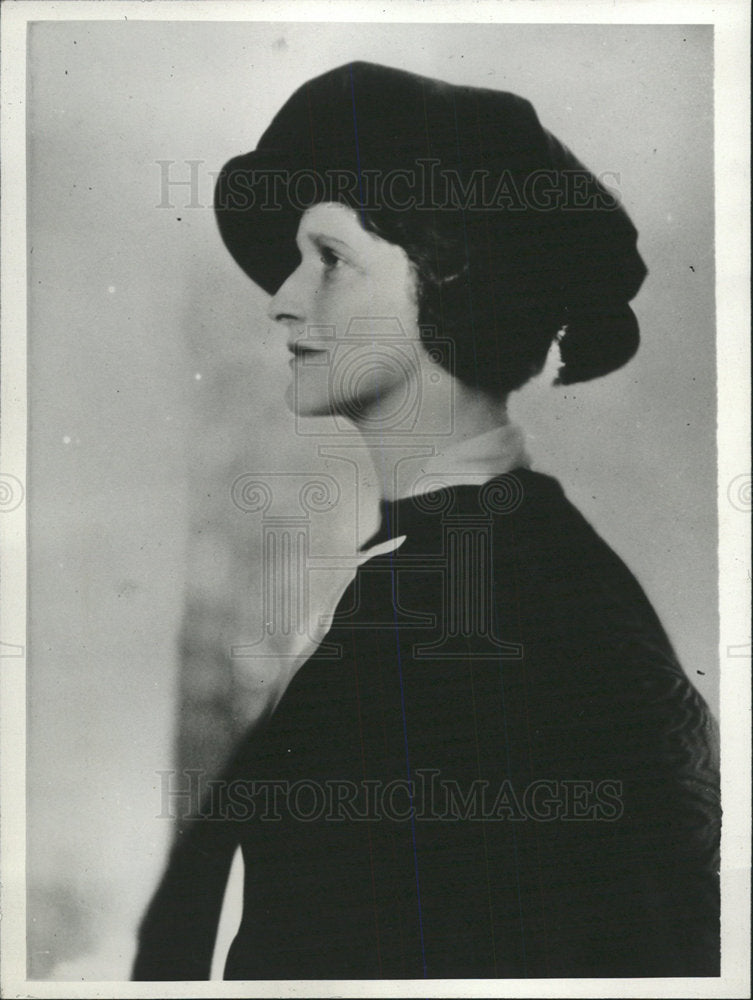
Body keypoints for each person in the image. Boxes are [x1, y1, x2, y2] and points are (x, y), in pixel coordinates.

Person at [132, 61, 720, 980]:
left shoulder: (502, 616)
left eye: (330, 259)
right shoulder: (453, 565)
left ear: (450, 283)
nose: (283, 298)